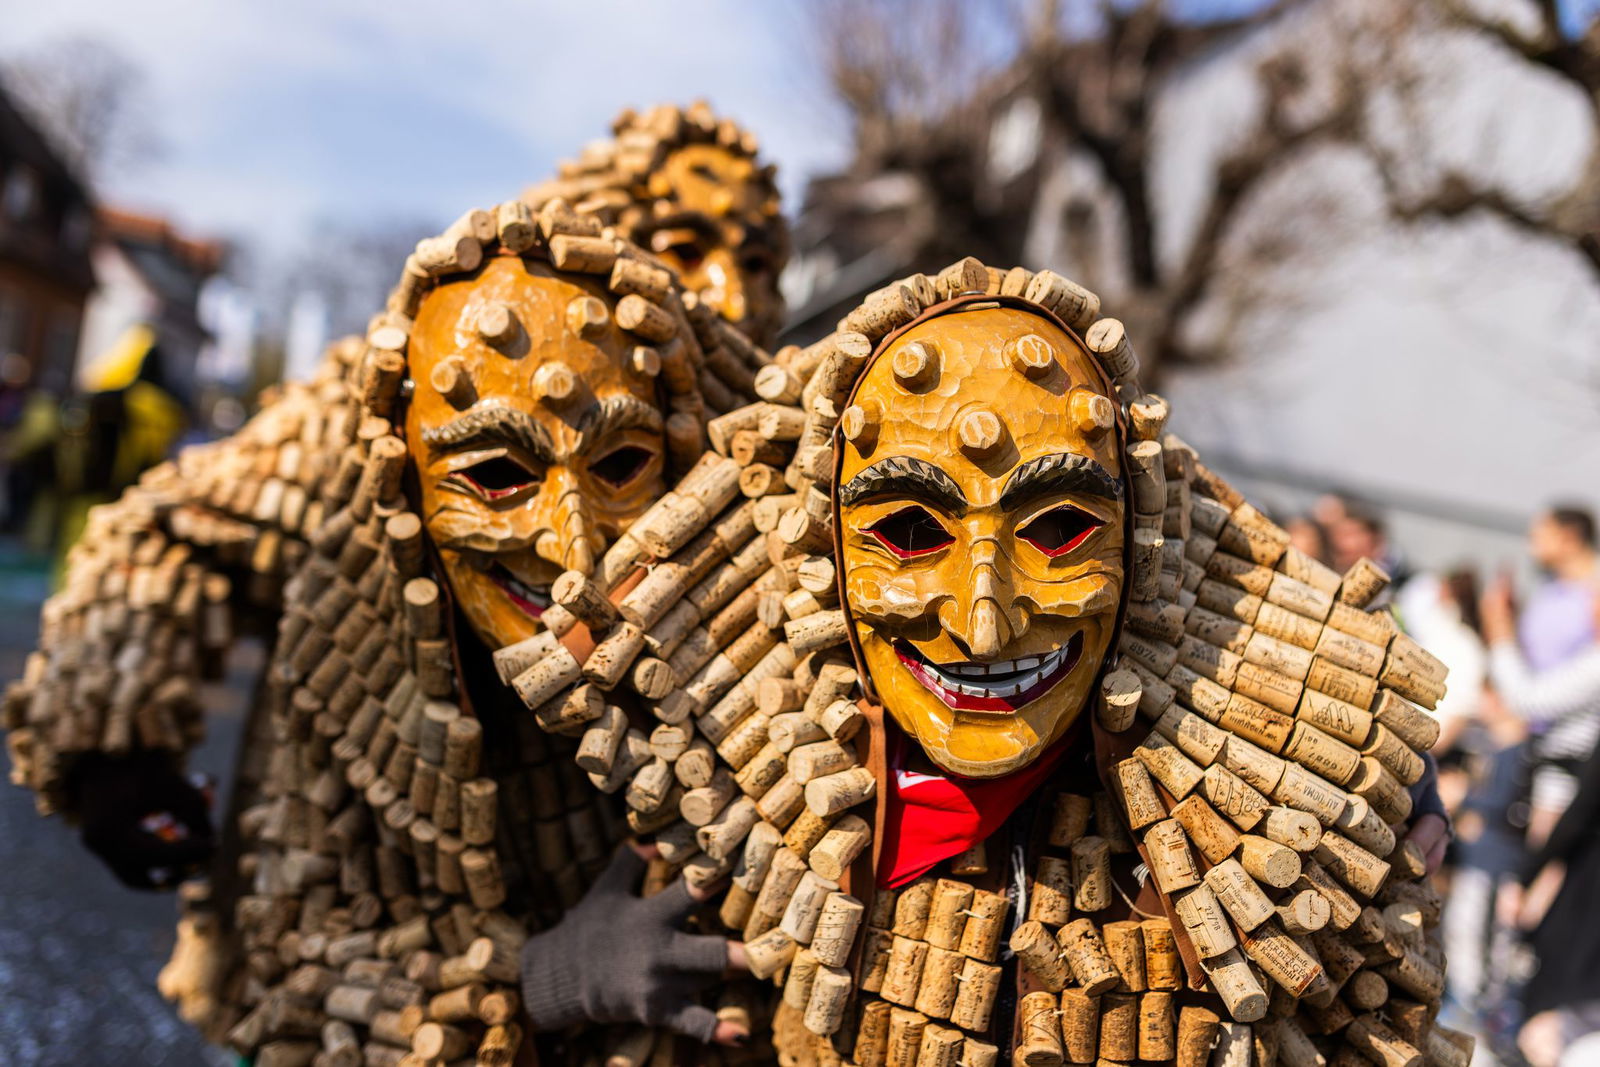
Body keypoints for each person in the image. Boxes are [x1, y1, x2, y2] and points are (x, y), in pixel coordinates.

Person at [514, 258, 1460, 1063]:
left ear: (1137, 547)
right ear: (825, 554)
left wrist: (1358, 760)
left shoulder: (1259, 864)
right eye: (909, 531)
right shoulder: (737, 814)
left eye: (1057, 528)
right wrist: (543, 991)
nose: (984, 628)